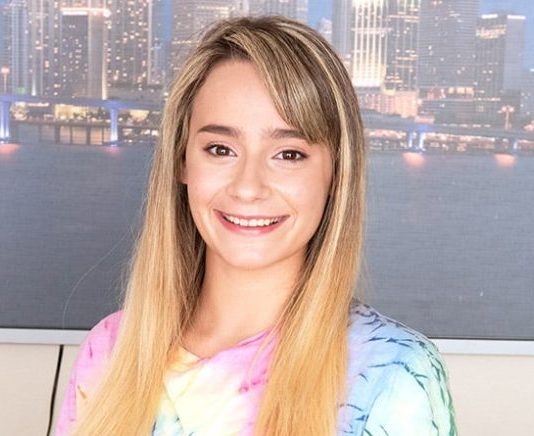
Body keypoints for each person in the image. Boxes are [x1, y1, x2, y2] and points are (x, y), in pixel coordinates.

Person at [55, 15, 457, 436]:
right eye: (220, 149)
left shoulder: (392, 373)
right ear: (182, 161)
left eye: (289, 154)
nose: (248, 188)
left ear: (336, 173)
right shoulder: (111, 351)